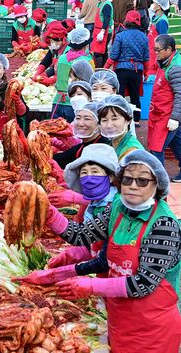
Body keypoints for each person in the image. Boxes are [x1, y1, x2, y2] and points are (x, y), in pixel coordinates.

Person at [43, 150, 181, 353]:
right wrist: (48, 212)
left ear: (157, 185)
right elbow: (81, 235)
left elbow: (143, 284)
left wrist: (91, 286)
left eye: (142, 181)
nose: (133, 186)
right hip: (120, 318)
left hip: (152, 329)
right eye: (127, 179)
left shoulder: (164, 224)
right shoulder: (118, 206)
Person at [20, 143, 119, 283]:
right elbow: (86, 238)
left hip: (115, 283)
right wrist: (70, 255)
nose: (89, 177)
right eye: (84, 173)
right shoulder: (95, 203)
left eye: (95, 171)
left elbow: (103, 260)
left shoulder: (115, 207)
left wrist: (58, 273)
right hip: (104, 280)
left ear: (110, 177)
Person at [104, 10, 149, 125]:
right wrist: (146, 72)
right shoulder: (144, 37)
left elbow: (113, 56)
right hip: (137, 70)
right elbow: (146, 58)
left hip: (122, 69)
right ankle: (136, 120)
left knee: (120, 95)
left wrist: (104, 69)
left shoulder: (120, 36)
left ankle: (120, 118)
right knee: (135, 96)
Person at [147, 34, 181, 182]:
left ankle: (160, 182)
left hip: (168, 115)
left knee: (156, 148)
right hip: (161, 112)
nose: (156, 52)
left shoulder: (175, 68)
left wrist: (174, 118)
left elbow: (180, 94)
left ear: (168, 49)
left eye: (158, 50)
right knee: (177, 143)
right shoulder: (165, 61)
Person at [52, 27, 94, 122]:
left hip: (58, 101)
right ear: (86, 45)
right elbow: (90, 84)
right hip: (76, 103)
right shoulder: (87, 61)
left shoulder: (62, 58)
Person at [54, 101, 110, 168]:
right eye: (78, 118)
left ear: (100, 123)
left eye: (87, 119)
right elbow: (60, 159)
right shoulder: (81, 146)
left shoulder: (103, 146)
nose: (80, 123)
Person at [98, 94, 144, 160]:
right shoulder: (113, 143)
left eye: (114, 119)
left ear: (128, 120)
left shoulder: (132, 151)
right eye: (104, 120)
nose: (109, 125)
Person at [34, 21, 69, 85]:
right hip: (58, 81)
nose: (52, 44)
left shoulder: (68, 51)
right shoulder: (56, 48)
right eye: (51, 41)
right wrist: (41, 73)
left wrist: (51, 80)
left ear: (61, 39)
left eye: (54, 42)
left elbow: (67, 73)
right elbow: (48, 60)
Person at [91, 0, 113, 68]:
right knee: (102, 51)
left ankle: (99, 69)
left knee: (98, 53)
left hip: (103, 31)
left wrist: (102, 31)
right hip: (98, 30)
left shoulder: (107, 5)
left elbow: (107, 19)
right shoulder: (101, 3)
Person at [147, 0, 170, 74]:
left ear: (159, 6)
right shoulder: (155, 18)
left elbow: (163, 40)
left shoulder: (162, 21)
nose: (153, 4)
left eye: (154, 3)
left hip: (155, 54)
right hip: (151, 52)